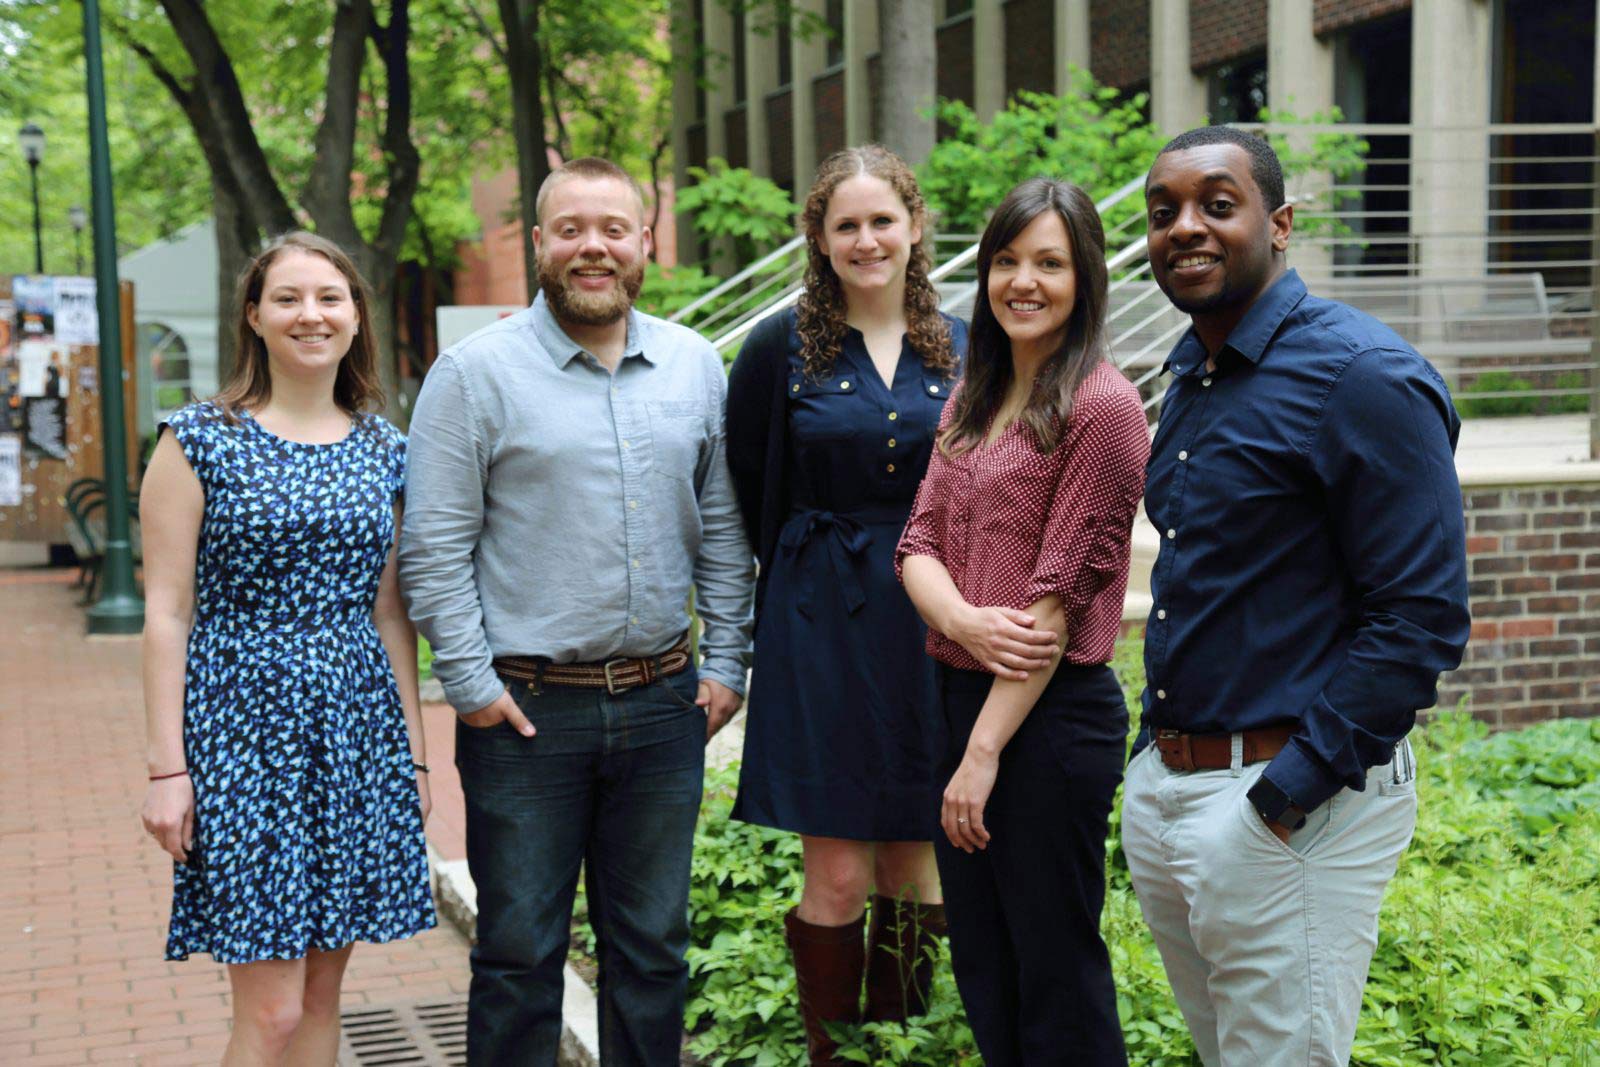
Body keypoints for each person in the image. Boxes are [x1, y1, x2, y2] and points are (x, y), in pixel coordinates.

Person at [1123, 125, 1471, 1067]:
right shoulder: (1190, 375)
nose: (1185, 227)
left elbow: (1422, 616)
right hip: (1177, 788)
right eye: (1164, 213)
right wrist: (1149, 767)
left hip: (1288, 804)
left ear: (1279, 225)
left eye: (1216, 204)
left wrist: (1285, 797)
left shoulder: (1363, 376)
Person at [398, 156, 755, 1067]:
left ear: (644, 242)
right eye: (570, 229)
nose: (592, 246)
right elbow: (434, 549)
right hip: (525, 715)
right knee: (518, 960)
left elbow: (722, 529)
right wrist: (472, 687)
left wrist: (724, 664)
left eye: (611, 228)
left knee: (654, 953)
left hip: (662, 705)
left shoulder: (693, 366)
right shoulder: (473, 375)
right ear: (539, 246)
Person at [139, 231, 435, 1065]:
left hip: (352, 734)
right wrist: (168, 769)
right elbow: (165, 612)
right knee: (267, 1013)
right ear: (254, 316)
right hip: (241, 735)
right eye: (290, 298)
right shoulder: (200, 439)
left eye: (330, 298)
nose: (312, 315)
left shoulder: (385, 448)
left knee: (317, 1004)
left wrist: (409, 754)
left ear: (354, 316)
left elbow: (389, 613)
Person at [724, 144, 977, 1065]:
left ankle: (901, 1045)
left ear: (914, 228)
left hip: (934, 618)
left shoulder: (966, 346)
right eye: (847, 225)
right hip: (818, 622)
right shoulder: (775, 349)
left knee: (918, 851)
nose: (867, 239)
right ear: (821, 242)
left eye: (883, 220)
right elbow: (751, 490)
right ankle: (835, 1053)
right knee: (833, 867)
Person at [897, 178, 1150, 1066]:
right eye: (1007, 260)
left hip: (1046, 723)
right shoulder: (975, 388)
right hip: (962, 696)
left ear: (1085, 277)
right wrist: (965, 620)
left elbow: (1053, 607)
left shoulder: (1105, 408)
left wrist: (983, 752)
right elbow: (916, 542)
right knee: (985, 962)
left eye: (1049, 262)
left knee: (1055, 974)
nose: (1023, 281)